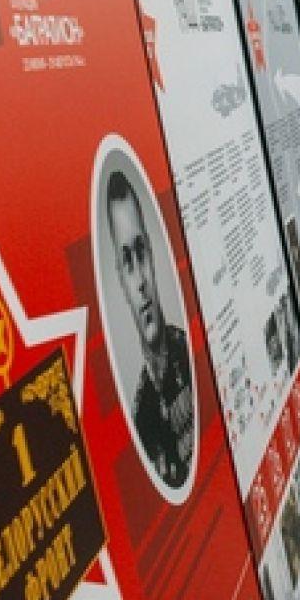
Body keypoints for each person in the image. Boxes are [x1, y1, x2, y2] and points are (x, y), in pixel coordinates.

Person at [106, 170, 194, 490]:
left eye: (141, 252)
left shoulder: (190, 353)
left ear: (152, 256)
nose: (141, 281)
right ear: (121, 281)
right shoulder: (139, 415)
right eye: (127, 262)